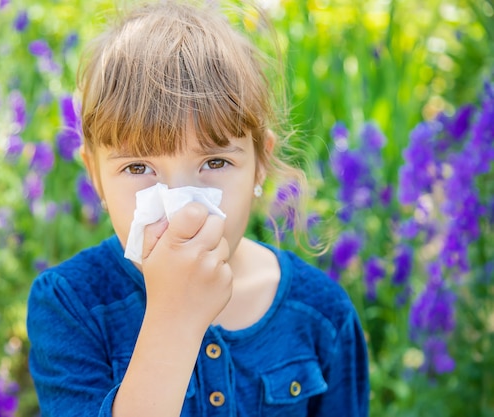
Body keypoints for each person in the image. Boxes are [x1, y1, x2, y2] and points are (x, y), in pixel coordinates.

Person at [26, 1, 370, 416]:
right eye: (139, 167)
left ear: (260, 164)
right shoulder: (70, 305)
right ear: (96, 177)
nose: (182, 207)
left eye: (215, 162)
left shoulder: (322, 315)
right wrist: (175, 317)